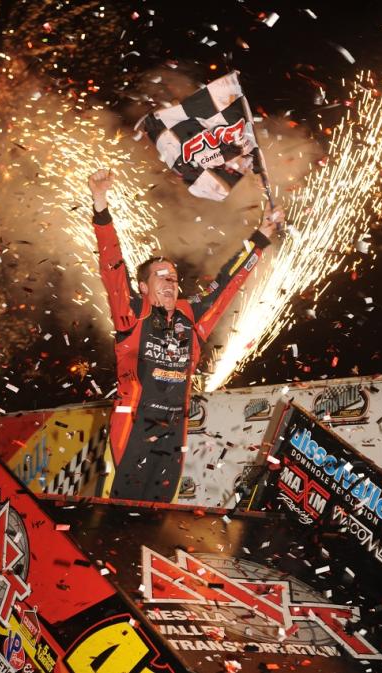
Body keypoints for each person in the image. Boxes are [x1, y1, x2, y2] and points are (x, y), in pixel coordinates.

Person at [88, 168, 283, 502]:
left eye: (174, 277)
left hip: (173, 435)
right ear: (143, 286)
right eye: (160, 276)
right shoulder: (131, 315)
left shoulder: (192, 317)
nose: (170, 281)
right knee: (117, 517)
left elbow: (227, 281)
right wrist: (100, 203)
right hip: (131, 431)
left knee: (160, 517)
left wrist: (261, 236)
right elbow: (112, 266)